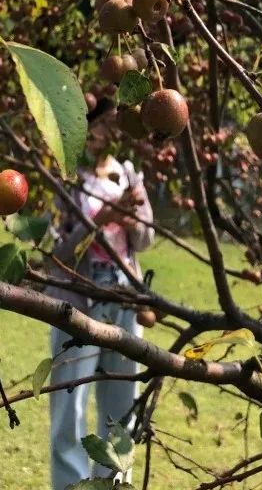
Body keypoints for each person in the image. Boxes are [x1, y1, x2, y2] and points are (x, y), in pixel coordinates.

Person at [46, 103, 155, 490]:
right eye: (102, 124)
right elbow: (54, 252)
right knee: (69, 404)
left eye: (115, 125)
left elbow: (146, 238)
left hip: (125, 300)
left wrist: (132, 219)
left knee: (123, 405)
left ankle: (114, 483)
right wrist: (100, 220)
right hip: (78, 302)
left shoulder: (128, 174)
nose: (108, 132)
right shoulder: (66, 178)